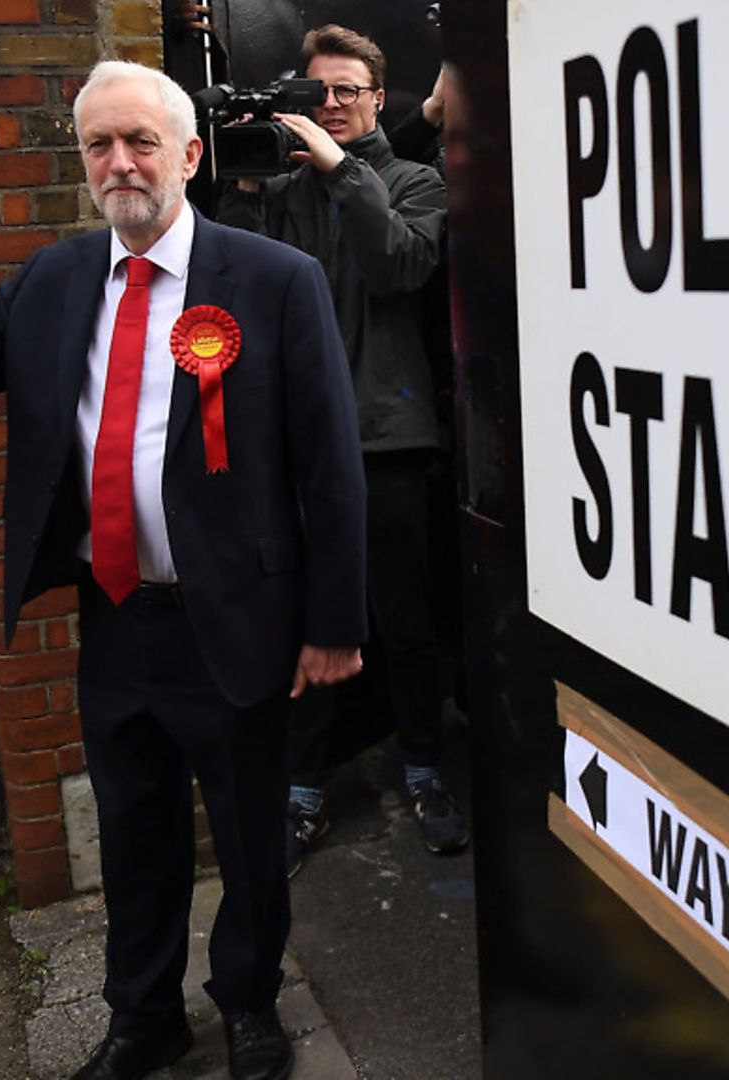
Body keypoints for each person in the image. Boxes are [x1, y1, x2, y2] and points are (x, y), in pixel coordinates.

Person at [0, 59, 366, 1080]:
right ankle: (140, 1017)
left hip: (238, 619)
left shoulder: (276, 281)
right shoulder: (52, 283)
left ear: (188, 155)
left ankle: (247, 1003)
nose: (119, 162)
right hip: (117, 621)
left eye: (140, 141)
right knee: (134, 836)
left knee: (247, 838)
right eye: (99, 144)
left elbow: (330, 463)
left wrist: (334, 623)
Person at [216, 24, 468, 877]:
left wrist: (339, 166)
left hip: (389, 440)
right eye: (315, 91)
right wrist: (246, 185)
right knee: (306, 623)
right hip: (294, 446)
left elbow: (400, 266)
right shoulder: (280, 194)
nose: (328, 103)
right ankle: (303, 791)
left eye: (346, 90)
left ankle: (428, 773)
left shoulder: (417, 182)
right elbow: (234, 288)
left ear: (374, 98)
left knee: (406, 620)